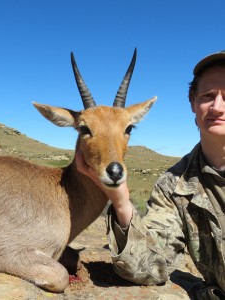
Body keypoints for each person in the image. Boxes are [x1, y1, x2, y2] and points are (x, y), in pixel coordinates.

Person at [76, 51, 225, 300]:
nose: (217, 107)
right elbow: (149, 267)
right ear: (193, 103)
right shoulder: (173, 186)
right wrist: (121, 201)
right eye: (208, 96)